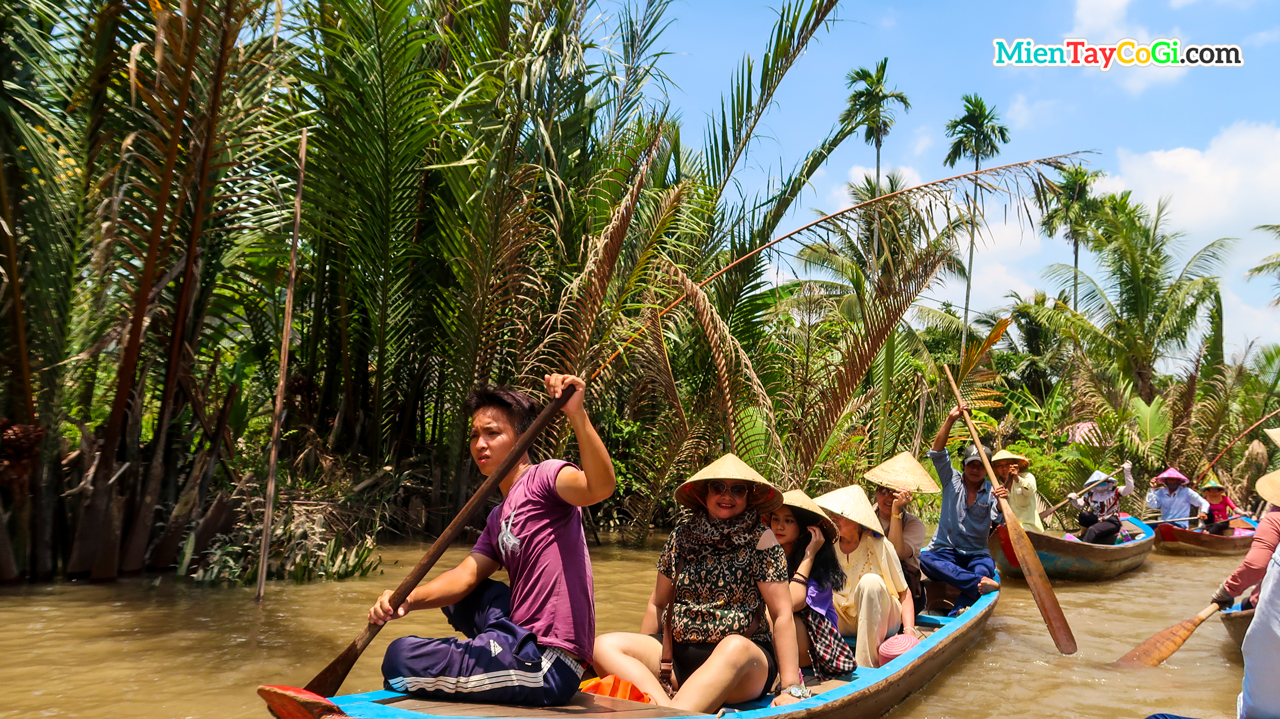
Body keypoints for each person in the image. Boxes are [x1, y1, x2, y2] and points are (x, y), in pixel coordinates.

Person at [368, 375, 616, 707]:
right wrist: (406, 599)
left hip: (548, 662)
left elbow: (599, 488)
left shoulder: (545, 478)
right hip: (519, 636)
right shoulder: (498, 516)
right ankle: (495, 648)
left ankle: (500, 656)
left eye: (492, 433)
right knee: (461, 597)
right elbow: (465, 575)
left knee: (399, 657)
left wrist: (577, 414)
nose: (479, 444)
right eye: (474, 435)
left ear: (522, 438)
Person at [592, 454, 807, 712]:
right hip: (676, 661)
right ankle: (667, 709)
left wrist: (790, 689)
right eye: (718, 487)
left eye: (737, 490)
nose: (727, 496)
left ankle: (668, 713)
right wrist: (647, 674)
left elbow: (781, 613)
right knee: (602, 646)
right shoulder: (682, 536)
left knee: (734, 646)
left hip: (742, 666)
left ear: (749, 497)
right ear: (704, 494)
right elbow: (657, 604)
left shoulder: (762, 539)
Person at [814, 485, 916, 668]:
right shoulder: (828, 545)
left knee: (871, 583)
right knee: (815, 589)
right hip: (843, 619)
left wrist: (909, 631)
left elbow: (904, 594)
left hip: (881, 616)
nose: (834, 520)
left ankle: (866, 667)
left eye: (840, 516)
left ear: (856, 520)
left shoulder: (880, 544)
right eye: (833, 515)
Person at [919, 404, 1007, 613]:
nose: (975, 469)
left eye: (981, 466)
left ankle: (958, 611)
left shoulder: (993, 491)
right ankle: (979, 584)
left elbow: (999, 517)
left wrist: (1005, 502)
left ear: (987, 470)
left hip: (976, 554)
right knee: (924, 559)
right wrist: (950, 419)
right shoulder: (952, 481)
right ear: (964, 465)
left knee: (984, 567)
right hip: (945, 553)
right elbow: (937, 452)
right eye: (971, 464)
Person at [769, 490, 855, 679]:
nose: (779, 526)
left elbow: (790, 603)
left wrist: (809, 555)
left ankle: (788, 679)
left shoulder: (818, 568)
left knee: (772, 612)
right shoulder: (769, 557)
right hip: (782, 638)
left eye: (789, 521)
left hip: (819, 647)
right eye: (775, 519)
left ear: (804, 528)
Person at [864, 452, 936, 615]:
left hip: (905, 592)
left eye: (896, 493)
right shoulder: (864, 518)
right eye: (884, 491)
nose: (889, 498)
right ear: (876, 492)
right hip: (870, 587)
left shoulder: (914, 525)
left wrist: (896, 511)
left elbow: (896, 553)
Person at [1211, 469, 1280, 614]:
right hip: (1216, 523)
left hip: (1274, 605)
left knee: (1250, 602)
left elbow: (1256, 565)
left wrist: (1226, 591)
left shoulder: (1275, 518)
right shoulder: (1207, 502)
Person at [1067, 462, 1136, 545]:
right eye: (1097, 483)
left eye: (1102, 482)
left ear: (1108, 482)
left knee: (1093, 529)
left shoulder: (1115, 491)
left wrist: (1127, 472)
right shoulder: (1090, 494)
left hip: (1111, 521)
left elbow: (1129, 489)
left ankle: (1083, 547)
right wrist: (1074, 499)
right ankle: (1083, 533)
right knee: (1084, 515)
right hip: (1097, 519)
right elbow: (1079, 505)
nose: (1100, 485)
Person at [990, 449, 1045, 532]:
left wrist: (1016, 478)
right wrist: (1000, 502)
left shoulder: (1027, 477)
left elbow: (1030, 490)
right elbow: (995, 515)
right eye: (999, 465)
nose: (1004, 468)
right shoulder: (995, 486)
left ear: (1015, 465)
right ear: (995, 469)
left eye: (1007, 464)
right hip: (1011, 531)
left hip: (1031, 530)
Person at [1145, 467, 1210, 529]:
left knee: (1167, 526)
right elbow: (1152, 505)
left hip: (1180, 525)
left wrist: (1203, 512)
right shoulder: (1161, 492)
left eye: (1174, 479)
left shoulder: (1187, 492)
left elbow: (1204, 503)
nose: (1172, 482)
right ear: (1165, 481)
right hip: (1163, 524)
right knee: (1145, 527)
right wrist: (1152, 489)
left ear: (1179, 481)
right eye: (1169, 479)